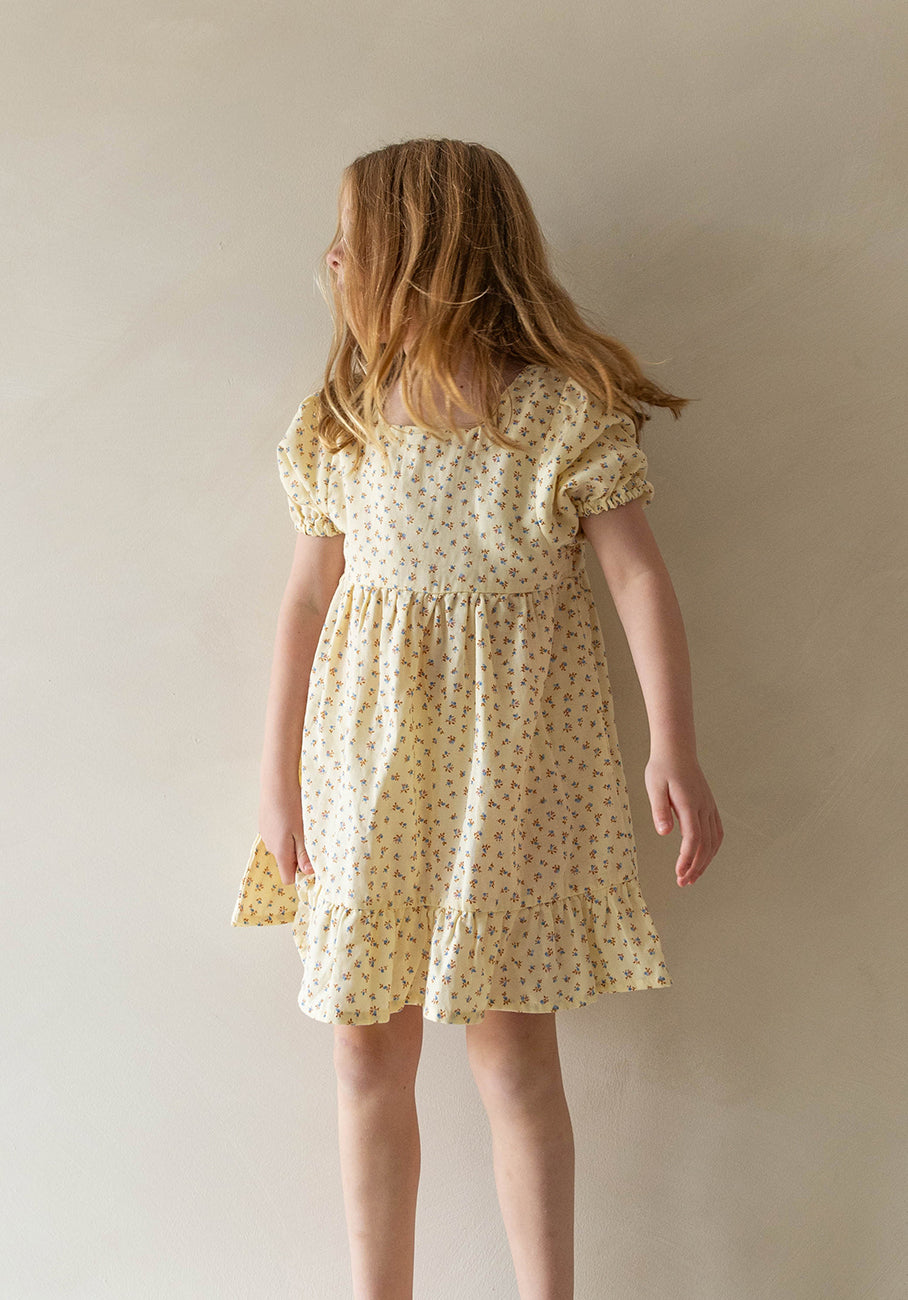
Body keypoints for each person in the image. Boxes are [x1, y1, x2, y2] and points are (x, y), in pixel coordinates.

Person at [232, 137, 723, 1299]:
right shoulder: (344, 418)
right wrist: (275, 777)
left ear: (423, 253)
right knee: (365, 1049)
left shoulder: (560, 415)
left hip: (516, 779)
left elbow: (637, 578)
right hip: (370, 774)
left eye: (352, 236)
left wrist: (674, 744)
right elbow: (304, 600)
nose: (331, 258)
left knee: (511, 1054)